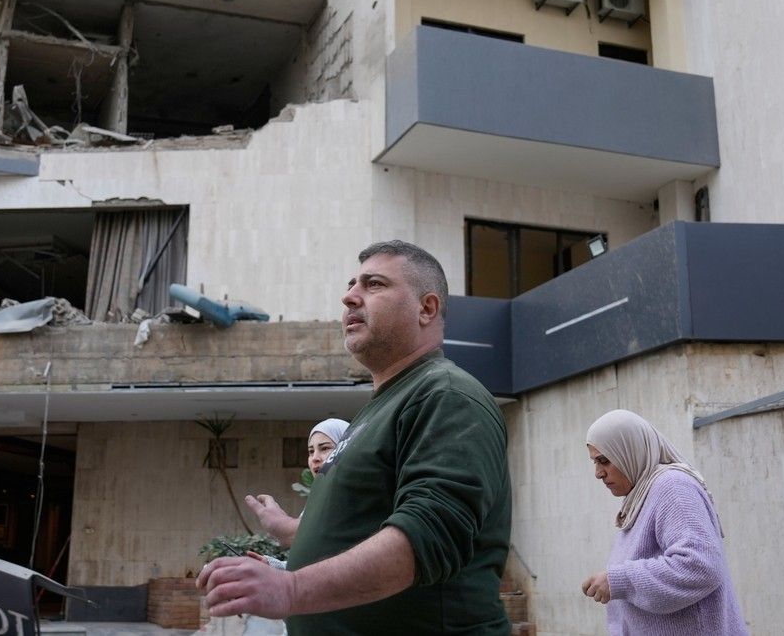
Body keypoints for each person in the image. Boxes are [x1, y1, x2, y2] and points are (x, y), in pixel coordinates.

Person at [198, 240, 512, 635]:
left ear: (426, 308)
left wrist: (292, 588)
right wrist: (295, 541)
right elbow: (365, 523)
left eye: (374, 284)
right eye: (351, 285)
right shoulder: (380, 408)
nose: (349, 297)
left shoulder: (445, 394)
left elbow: (428, 535)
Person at [581, 409, 748, 635]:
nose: (598, 473)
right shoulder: (640, 499)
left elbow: (701, 565)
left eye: (604, 461)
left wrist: (619, 581)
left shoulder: (672, 487)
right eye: (595, 462)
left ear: (629, 451)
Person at [249, 417, 350, 551]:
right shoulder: (316, 501)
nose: (315, 458)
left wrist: (281, 523)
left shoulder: (354, 496)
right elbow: (309, 558)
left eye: (325, 448)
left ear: (347, 448)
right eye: (311, 451)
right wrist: (271, 565)